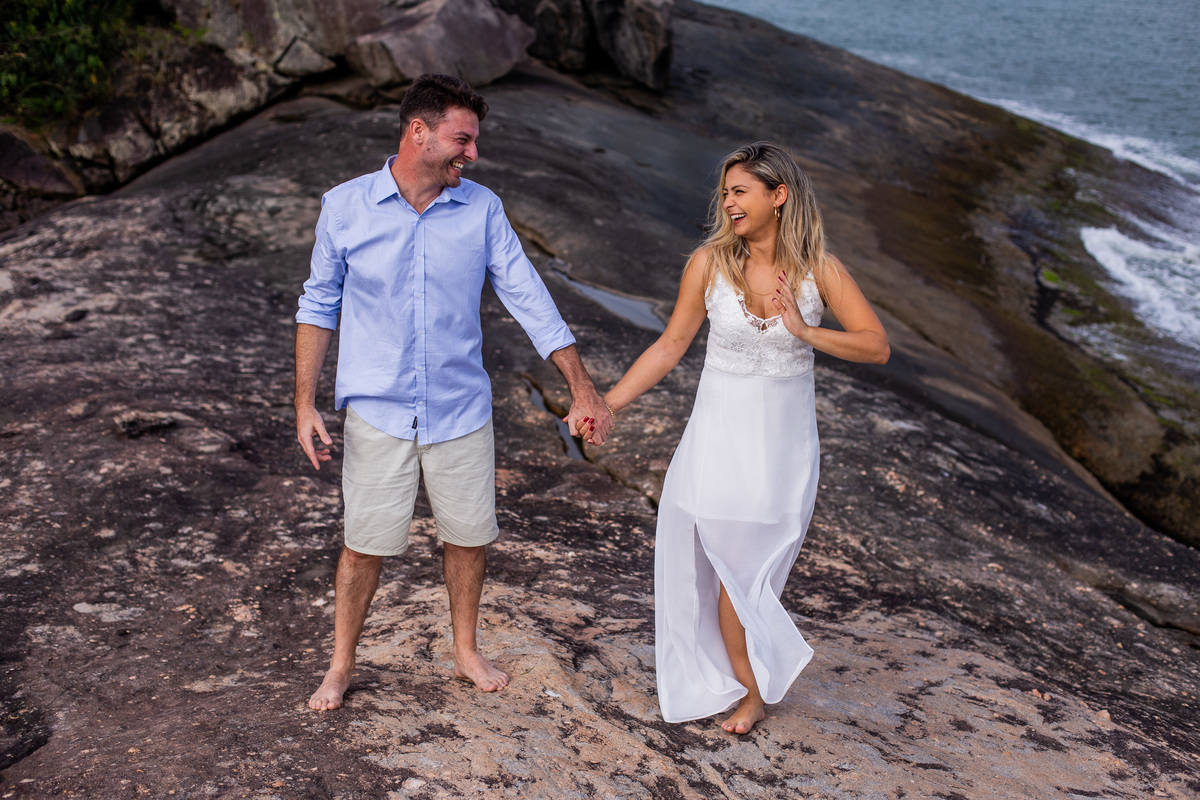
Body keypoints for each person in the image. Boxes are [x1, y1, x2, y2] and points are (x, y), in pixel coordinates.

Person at [295, 73, 612, 711]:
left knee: (468, 536)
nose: (472, 153)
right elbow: (318, 303)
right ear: (420, 132)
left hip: (460, 408)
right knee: (363, 546)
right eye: (462, 140)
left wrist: (582, 387)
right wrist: (304, 403)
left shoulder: (482, 209)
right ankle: (340, 666)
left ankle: (465, 650)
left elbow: (528, 296)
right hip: (378, 409)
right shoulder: (345, 206)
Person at [600, 142, 889, 734]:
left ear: (778, 195)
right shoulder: (709, 264)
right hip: (716, 444)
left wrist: (804, 330)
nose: (728, 202)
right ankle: (749, 688)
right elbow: (670, 345)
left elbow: (875, 344)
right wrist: (607, 404)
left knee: (745, 576)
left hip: (781, 454)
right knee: (713, 574)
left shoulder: (819, 271)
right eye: (726, 192)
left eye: (740, 191)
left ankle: (751, 687)